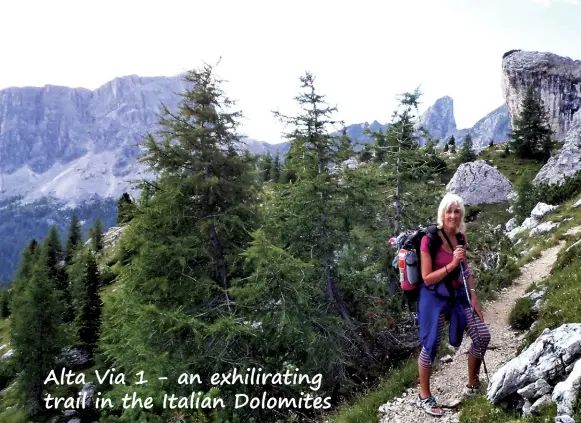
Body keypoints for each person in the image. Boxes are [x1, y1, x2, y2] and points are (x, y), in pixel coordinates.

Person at [415, 193, 491, 417]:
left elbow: (465, 270)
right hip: (433, 295)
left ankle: (473, 384)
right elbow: (427, 277)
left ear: (461, 215)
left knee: (482, 336)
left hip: (457, 293)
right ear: (442, 213)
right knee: (431, 345)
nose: (453, 215)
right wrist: (452, 264)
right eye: (449, 211)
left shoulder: (461, 238)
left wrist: (474, 298)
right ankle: (424, 396)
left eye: (457, 211)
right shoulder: (429, 240)